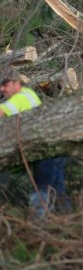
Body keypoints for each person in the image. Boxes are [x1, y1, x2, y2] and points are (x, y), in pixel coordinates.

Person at [0, 67, 69, 217]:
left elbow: (2, 112)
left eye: (5, 84)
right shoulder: (27, 96)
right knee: (57, 190)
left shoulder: (22, 97)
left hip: (46, 149)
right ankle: (67, 223)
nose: (2, 88)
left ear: (16, 83)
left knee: (42, 190)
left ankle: (41, 228)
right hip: (56, 147)